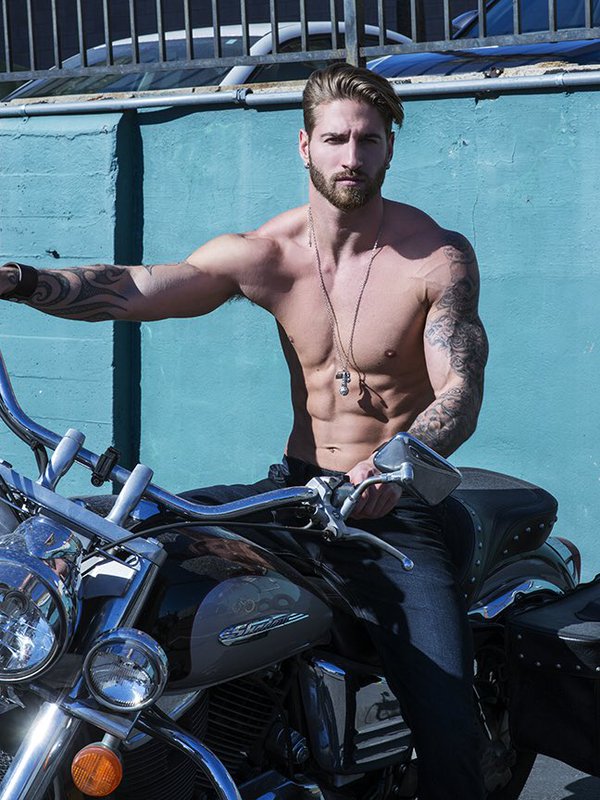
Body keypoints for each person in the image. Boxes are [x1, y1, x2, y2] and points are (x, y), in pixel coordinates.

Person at [0, 63, 488, 798]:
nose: (351, 157)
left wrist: (397, 459)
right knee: (119, 544)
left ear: (390, 148)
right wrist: (20, 281)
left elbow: (460, 386)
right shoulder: (268, 254)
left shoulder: (435, 258)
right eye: (336, 139)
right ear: (304, 146)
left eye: (368, 140)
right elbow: (135, 288)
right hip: (294, 495)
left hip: (389, 509)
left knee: (449, 728)